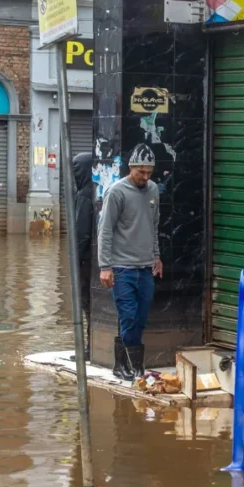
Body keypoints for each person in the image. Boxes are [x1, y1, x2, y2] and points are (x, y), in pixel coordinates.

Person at [98, 143, 163, 380]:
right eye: (140, 172)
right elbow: (105, 231)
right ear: (131, 167)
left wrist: (156, 255)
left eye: (149, 173)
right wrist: (105, 266)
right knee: (128, 315)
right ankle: (137, 369)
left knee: (140, 318)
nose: (145, 177)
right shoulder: (116, 192)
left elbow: (153, 225)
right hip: (121, 267)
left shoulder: (153, 190)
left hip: (145, 266)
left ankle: (121, 364)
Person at [72, 152, 96, 361]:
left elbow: (81, 233)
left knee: (87, 304)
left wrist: (75, 260)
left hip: (86, 261)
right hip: (100, 260)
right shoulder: (100, 191)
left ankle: (90, 349)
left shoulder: (84, 196)